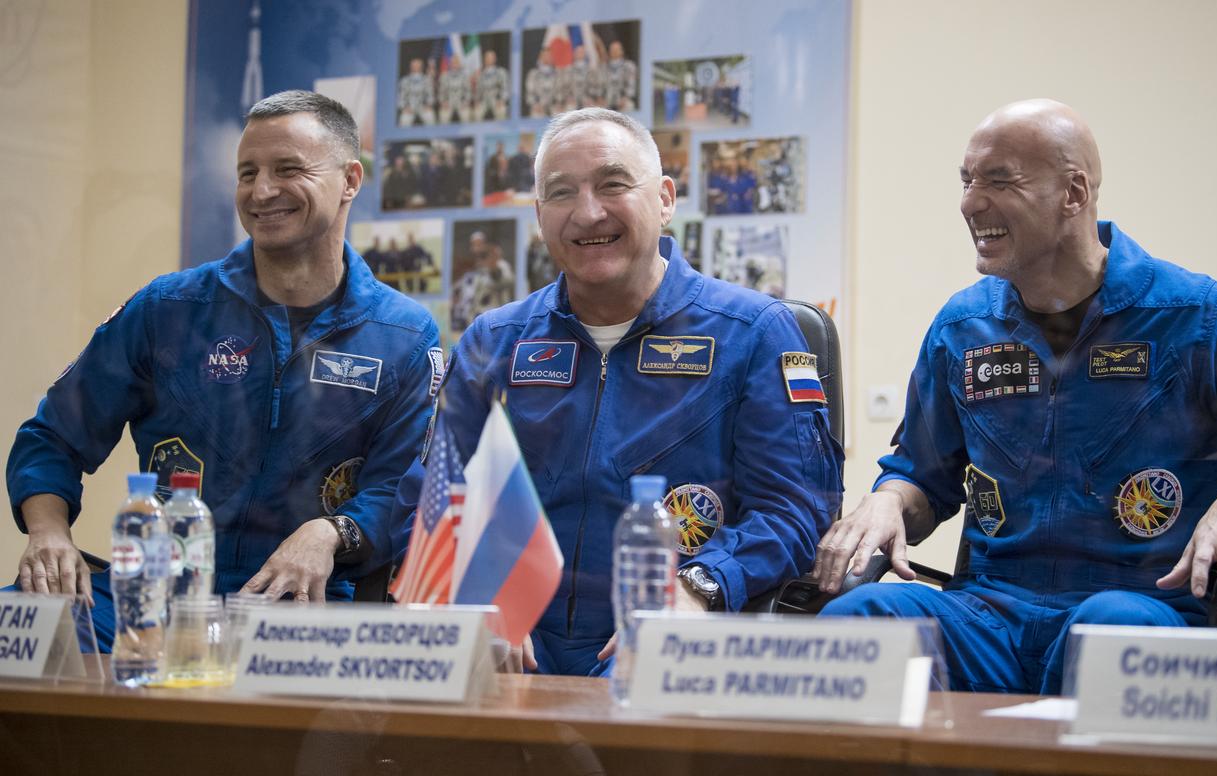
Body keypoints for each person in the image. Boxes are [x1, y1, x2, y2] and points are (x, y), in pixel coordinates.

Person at [815, 99, 1217, 694]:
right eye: (967, 180)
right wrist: (887, 500)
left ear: (1074, 194)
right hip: (992, 615)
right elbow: (923, 478)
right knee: (855, 627)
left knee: (1108, 631)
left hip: (1142, 606)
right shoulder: (962, 328)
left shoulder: (1202, 317)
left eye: (1000, 180)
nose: (970, 202)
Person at [408, 107, 843, 675]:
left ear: (664, 198)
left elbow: (794, 509)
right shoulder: (494, 341)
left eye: (613, 184)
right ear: (540, 215)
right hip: (510, 636)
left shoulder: (754, 333)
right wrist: (474, 593)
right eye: (562, 193)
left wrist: (701, 585)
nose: (588, 213)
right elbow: (433, 496)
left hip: (671, 634)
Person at [6, 90, 443, 649]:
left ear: (350, 180)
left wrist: (329, 533)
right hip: (155, 601)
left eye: (288, 169)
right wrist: (48, 534)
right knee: (16, 629)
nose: (262, 191)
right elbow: (53, 436)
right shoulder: (168, 310)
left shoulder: (404, 336)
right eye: (247, 172)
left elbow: (403, 491)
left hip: (302, 614)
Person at [475, 49, 510, 122]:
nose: (489, 59)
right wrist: (477, 100)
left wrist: (502, 99)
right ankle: (479, 133)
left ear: (495, 59)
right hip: (484, 100)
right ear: (484, 59)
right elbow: (478, 90)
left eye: (491, 58)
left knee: (501, 110)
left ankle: (500, 132)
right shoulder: (480, 74)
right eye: (487, 58)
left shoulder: (501, 72)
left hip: (497, 99)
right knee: (476, 112)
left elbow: (505, 87)